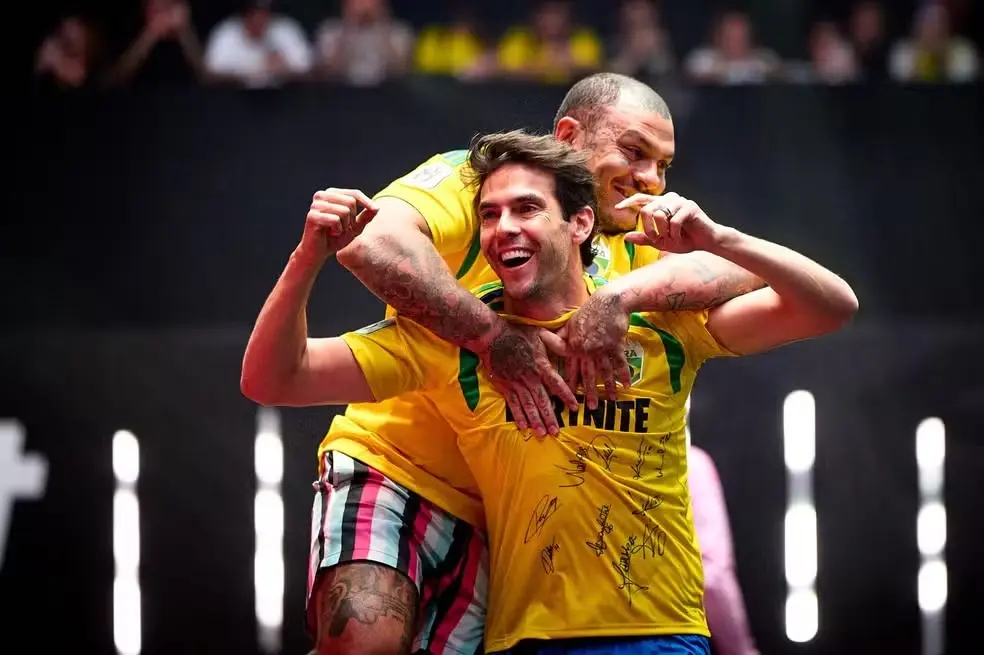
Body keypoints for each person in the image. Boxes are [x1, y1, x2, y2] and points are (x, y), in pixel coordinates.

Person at [243, 129, 858, 653]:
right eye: (489, 215)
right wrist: (306, 257)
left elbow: (831, 306)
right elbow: (273, 378)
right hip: (525, 640)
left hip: (662, 634)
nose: (503, 228)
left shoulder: (658, 324)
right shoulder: (452, 340)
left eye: (527, 209)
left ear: (581, 223)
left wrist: (716, 237)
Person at [689, 446, 760, 655]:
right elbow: (712, 575)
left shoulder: (602, 462)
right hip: (663, 640)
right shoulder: (688, 464)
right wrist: (741, 651)